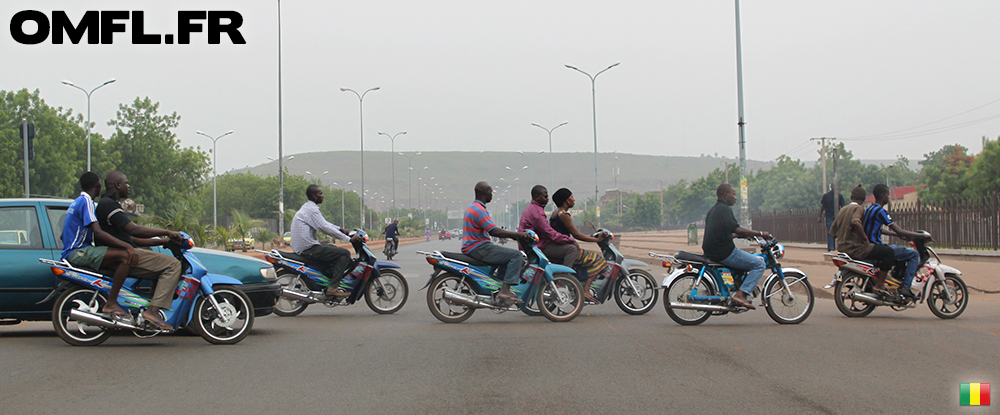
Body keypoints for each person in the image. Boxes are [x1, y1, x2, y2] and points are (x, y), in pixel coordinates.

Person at [95, 171, 183, 330]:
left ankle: (147, 308)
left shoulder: (112, 205)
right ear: (117, 185)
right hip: (121, 255)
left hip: (126, 252)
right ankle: (153, 311)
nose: (129, 187)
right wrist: (167, 232)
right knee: (173, 265)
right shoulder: (108, 205)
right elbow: (134, 230)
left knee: (161, 267)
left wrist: (165, 241)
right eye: (126, 183)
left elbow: (133, 239)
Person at [60, 172, 138, 318]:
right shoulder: (87, 201)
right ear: (97, 186)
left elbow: (63, 235)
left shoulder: (76, 202)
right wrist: (127, 246)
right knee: (125, 256)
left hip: (71, 251)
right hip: (78, 252)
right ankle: (112, 302)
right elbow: (98, 232)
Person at [702, 184, 769, 309]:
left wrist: (737, 235)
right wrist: (760, 233)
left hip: (712, 250)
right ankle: (741, 295)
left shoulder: (714, 210)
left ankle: (736, 287)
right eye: (733, 194)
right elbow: (736, 228)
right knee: (759, 264)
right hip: (724, 252)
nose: (735, 198)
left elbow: (723, 231)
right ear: (725, 195)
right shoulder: (725, 210)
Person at [462, 181, 530, 303]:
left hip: (475, 247)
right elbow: (493, 231)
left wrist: (513, 236)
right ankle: (505, 290)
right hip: (479, 247)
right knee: (516, 255)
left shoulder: (473, 207)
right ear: (484, 193)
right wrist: (518, 235)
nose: (492, 195)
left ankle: (497, 288)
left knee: (506, 257)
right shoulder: (478, 210)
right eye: (490, 192)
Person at [291, 184, 363, 298]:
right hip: (308, 249)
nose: (323, 196)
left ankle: (328, 277)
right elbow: (324, 227)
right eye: (320, 193)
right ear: (314, 196)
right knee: (344, 253)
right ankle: (333, 288)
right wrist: (348, 239)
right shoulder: (312, 210)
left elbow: (325, 223)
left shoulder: (309, 208)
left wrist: (341, 229)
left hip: (306, 247)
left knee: (333, 249)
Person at [862, 184, 929, 300]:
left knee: (901, 252)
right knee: (913, 254)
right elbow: (899, 230)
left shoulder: (869, 209)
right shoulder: (880, 211)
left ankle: (895, 279)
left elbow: (877, 229)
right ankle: (906, 288)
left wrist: (897, 235)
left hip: (870, 246)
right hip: (878, 247)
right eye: (888, 195)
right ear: (882, 196)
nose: (889, 197)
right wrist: (921, 235)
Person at [547, 188, 611, 303]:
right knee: (599, 260)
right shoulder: (564, 215)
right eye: (571, 197)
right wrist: (597, 240)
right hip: (567, 249)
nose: (574, 199)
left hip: (560, 247)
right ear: (566, 201)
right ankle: (585, 290)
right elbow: (576, 235)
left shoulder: (555, 213)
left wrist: (591, 236)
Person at [829, 185, 896, 291]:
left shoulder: (843, 209)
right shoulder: (858, 208)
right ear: (864, 198)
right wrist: (865, 239)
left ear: (851, 197)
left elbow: (832, 232)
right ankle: (880, 284)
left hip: (841, 248)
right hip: (856, 248)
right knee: (889, 252)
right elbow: (856, 222)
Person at [517, 185, 577, 264]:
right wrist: (570, 240)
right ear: (537, 197)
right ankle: (565, 275)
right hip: (537, 246)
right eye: (545, 197)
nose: (547, 199)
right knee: (572, 249)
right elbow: (550, 233)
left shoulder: (533, 208)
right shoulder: (537, 212)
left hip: (533, 244)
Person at [818, 184, 846, 251]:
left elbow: (843, 207)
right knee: (831, 232)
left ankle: (839, 248)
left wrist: (843, 216)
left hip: (838, 217)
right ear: (831, 187)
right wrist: (820, 216)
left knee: (839, 233)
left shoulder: (839, 196)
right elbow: (823, 206)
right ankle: (831, 249)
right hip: (829, 216)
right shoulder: (826, 196)